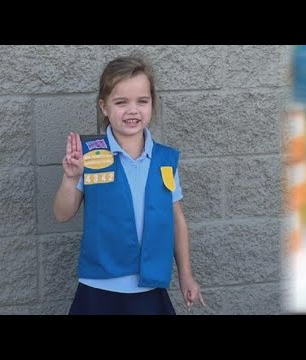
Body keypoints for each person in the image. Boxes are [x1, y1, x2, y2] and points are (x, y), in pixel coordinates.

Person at [53, 55, 205, 315]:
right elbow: (61, 214)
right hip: (98, 288)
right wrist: (69, 179)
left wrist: (185, 275)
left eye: (142, 101)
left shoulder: (165, 160)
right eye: (121, 102)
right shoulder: (90, 155)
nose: (132, 110)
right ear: (104, 107)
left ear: (152, 104)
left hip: (150, 289)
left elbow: (177, 219)